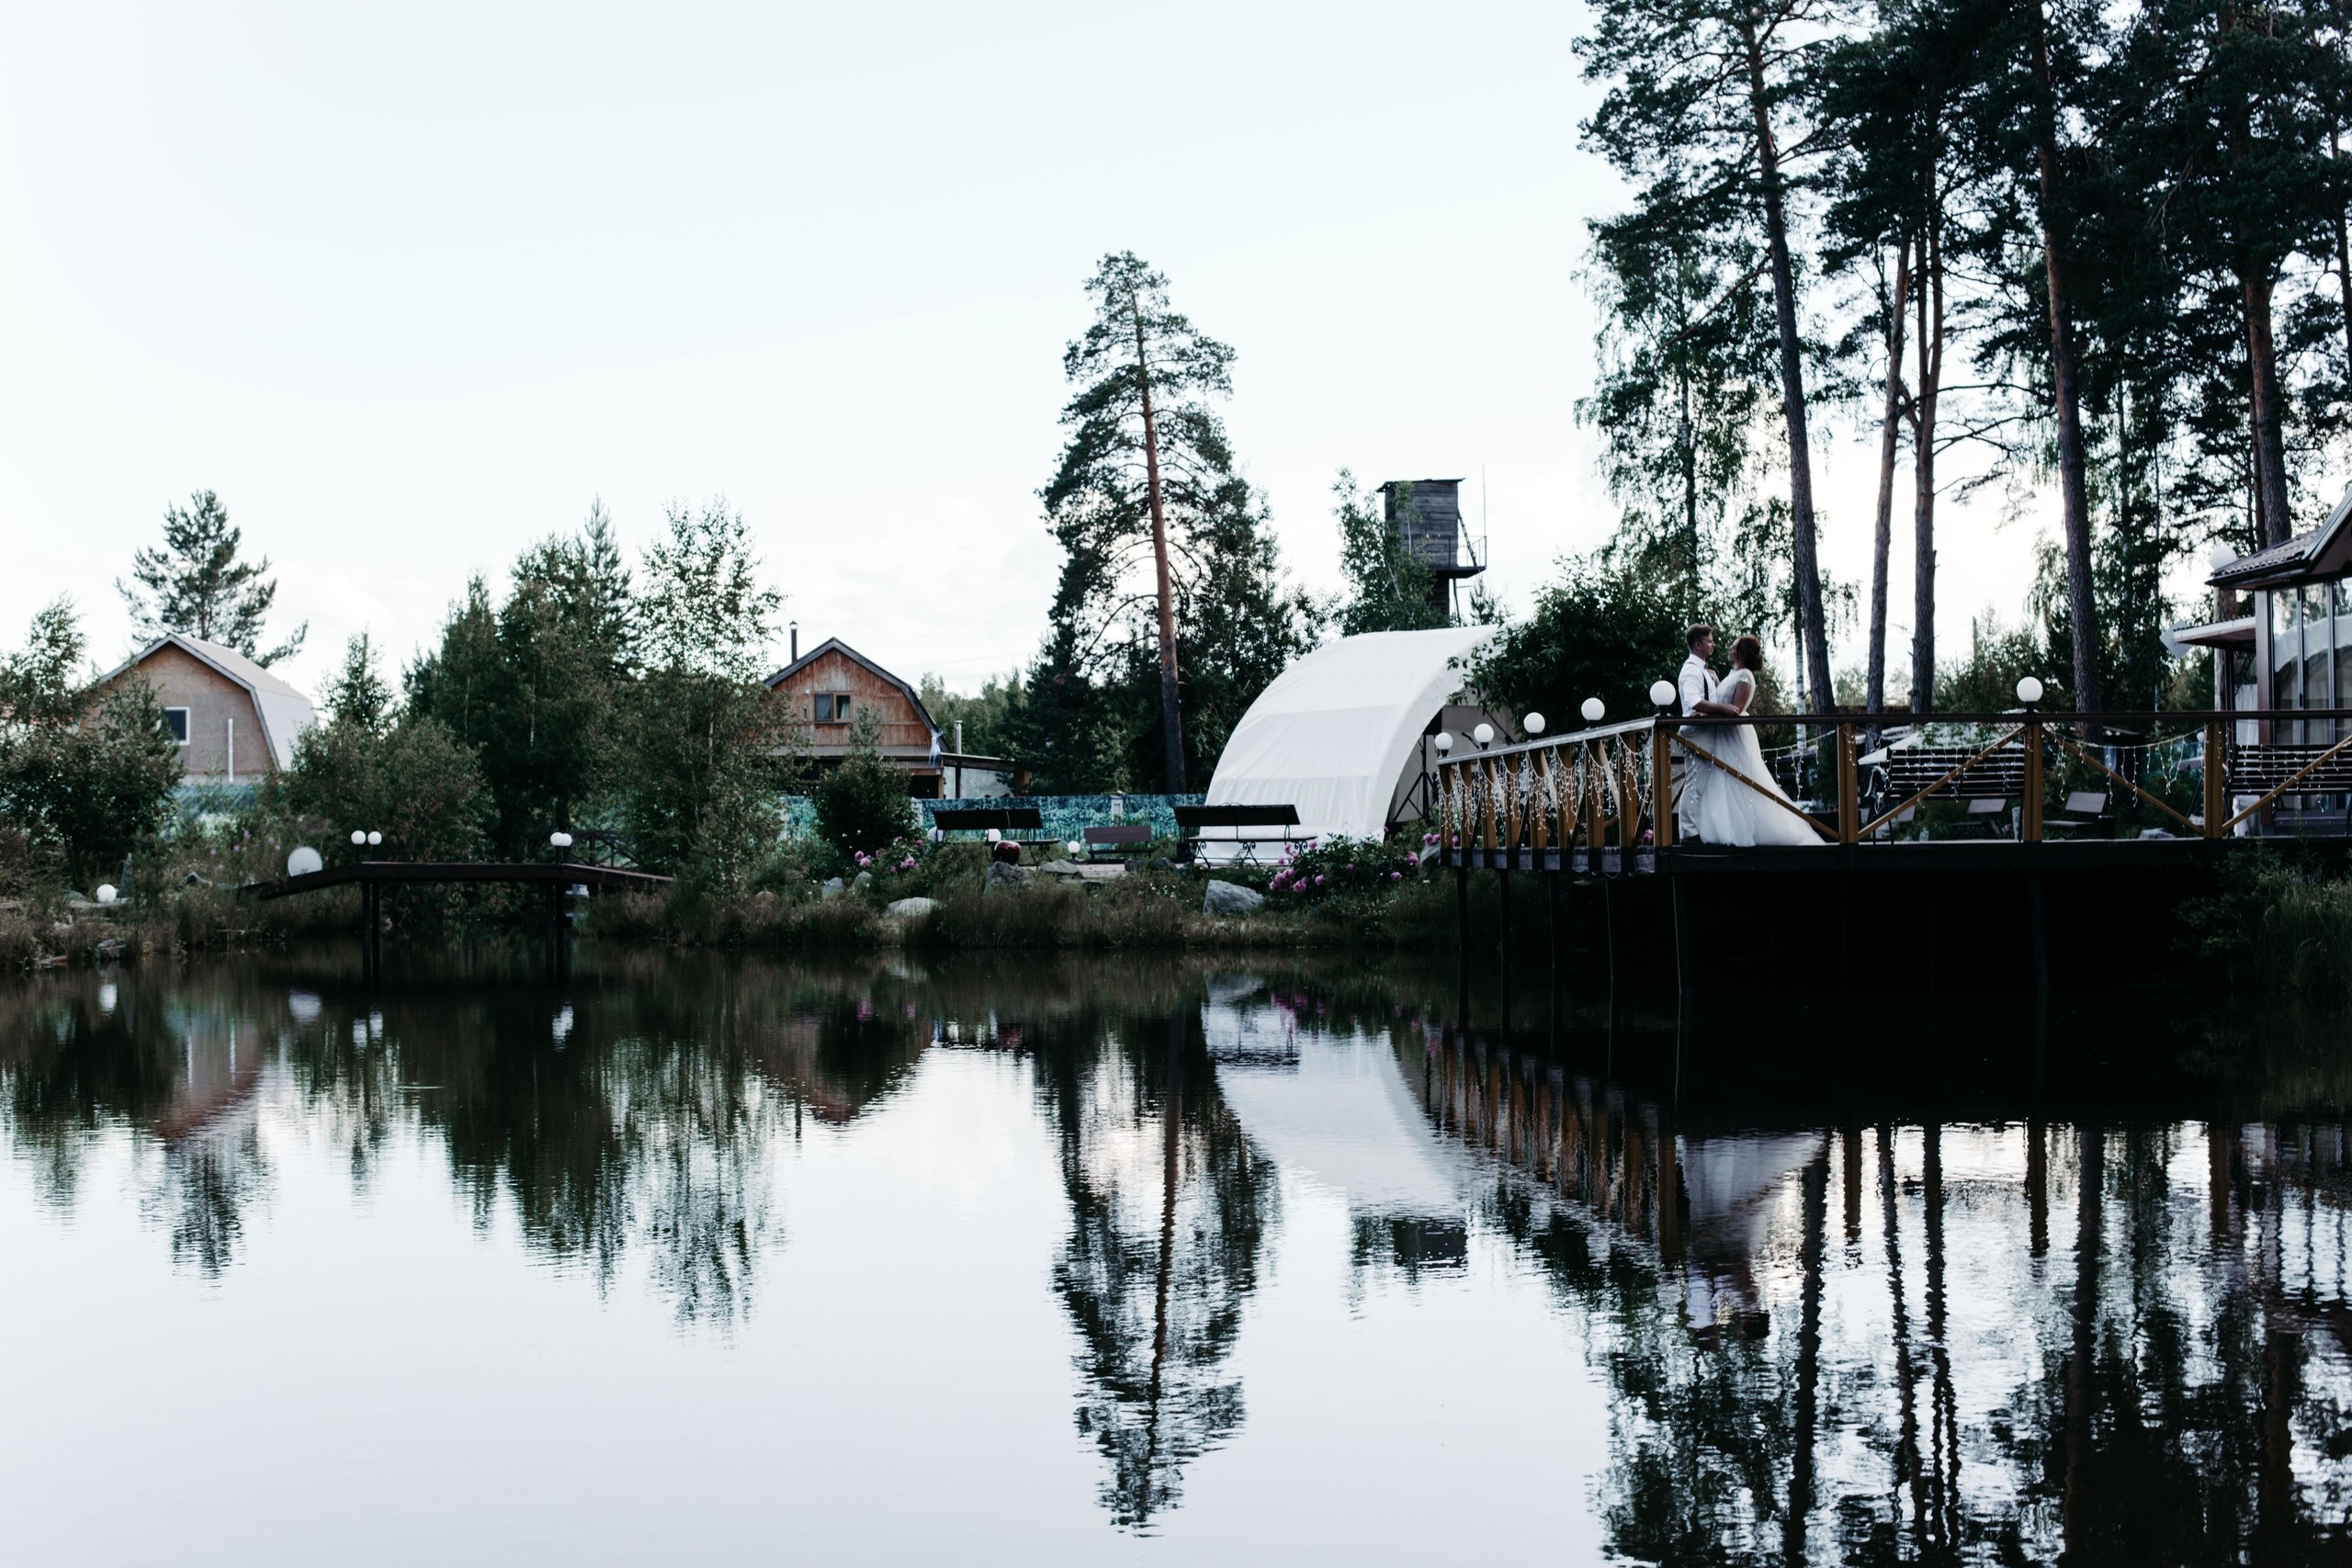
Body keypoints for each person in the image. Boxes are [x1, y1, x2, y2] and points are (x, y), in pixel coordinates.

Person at [1688, 635, 1822, 847]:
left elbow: (1735, 709)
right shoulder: (1734, 674)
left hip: (1735, 734)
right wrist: (1716, 682)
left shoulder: (1745, 677)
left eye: (1733, 647)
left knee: (1741, 779)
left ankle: (1757, 830)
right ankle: (1726, 830)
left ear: (1740, 653)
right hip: (1723, 735)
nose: (1729, 649)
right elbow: (1725, 701)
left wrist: (1705, 715)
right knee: (1723, 779)